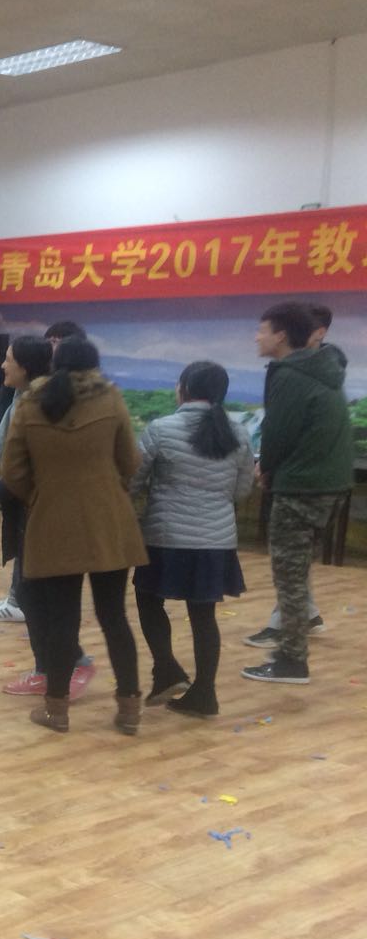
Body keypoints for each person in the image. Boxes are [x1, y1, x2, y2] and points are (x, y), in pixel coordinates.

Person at [1, 337, 146, 735]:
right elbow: (130, 460)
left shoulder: (31, 403)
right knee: (114, 616)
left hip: (52, 521)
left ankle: (57, 710)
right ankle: (129, 709)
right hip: (108, 521)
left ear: (55, 364)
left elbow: (12, 471)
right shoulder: (111, 398)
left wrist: (41, 495)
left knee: (61, 621)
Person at [130, 362, 255, 717]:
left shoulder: (161, 428)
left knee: (148, 600)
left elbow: (134, 480)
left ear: (183, 388)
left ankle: (167, 668)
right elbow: (242, 490)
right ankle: (204, 693)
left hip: (166, 536)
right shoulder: (238, 433)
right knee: (203, 615)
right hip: (216, 540)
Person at [242, 302, 354, 685]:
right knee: (298, 568)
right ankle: (299, 635)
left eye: (261, 330)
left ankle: (292, 661)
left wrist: (265, 468)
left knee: (288, 574)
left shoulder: (290, 373)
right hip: (329, 483)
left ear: (280, 336)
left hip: (302, 484)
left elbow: (278, 432)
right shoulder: (322, 368)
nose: (256, 337)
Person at [0, 336, 53, 623]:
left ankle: (23, 605)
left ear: (25, 366)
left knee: (31, 556)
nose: (2, 365)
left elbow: (35, 464)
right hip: (18, 494)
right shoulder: (16, 396)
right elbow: (5, 439)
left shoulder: (41, 405)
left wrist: (0, 485)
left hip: (34, 498)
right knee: (23, 550)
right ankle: (17, 600)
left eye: (8, 360)